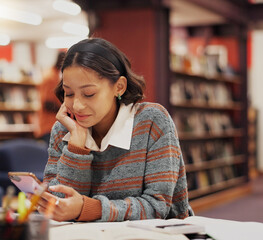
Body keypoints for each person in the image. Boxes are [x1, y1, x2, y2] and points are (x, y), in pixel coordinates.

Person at [37, 38, 191, 222]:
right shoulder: (64, 129)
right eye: (68, 93)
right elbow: (60, 207)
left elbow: (157, 207)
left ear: (119, 87)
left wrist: (90, 209)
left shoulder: (152, 121)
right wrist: (77, 147)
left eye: (89, 94)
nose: (76, 105)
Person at [34, 51, 65, 146]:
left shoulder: (55, 75)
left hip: (54, 125)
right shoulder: (49, 77)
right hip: (48, 126)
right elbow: (47, 103)